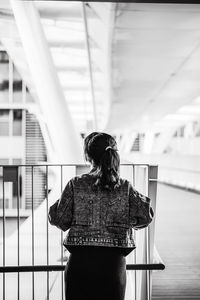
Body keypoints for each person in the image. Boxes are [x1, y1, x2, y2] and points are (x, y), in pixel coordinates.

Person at [48, 132, 154, 300]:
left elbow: (60, 219)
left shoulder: (75, 184)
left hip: (80, 266)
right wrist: (127, 218)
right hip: (113, 268)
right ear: (114, 154)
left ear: (87, 156)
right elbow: (146, 215)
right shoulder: (125, 188)